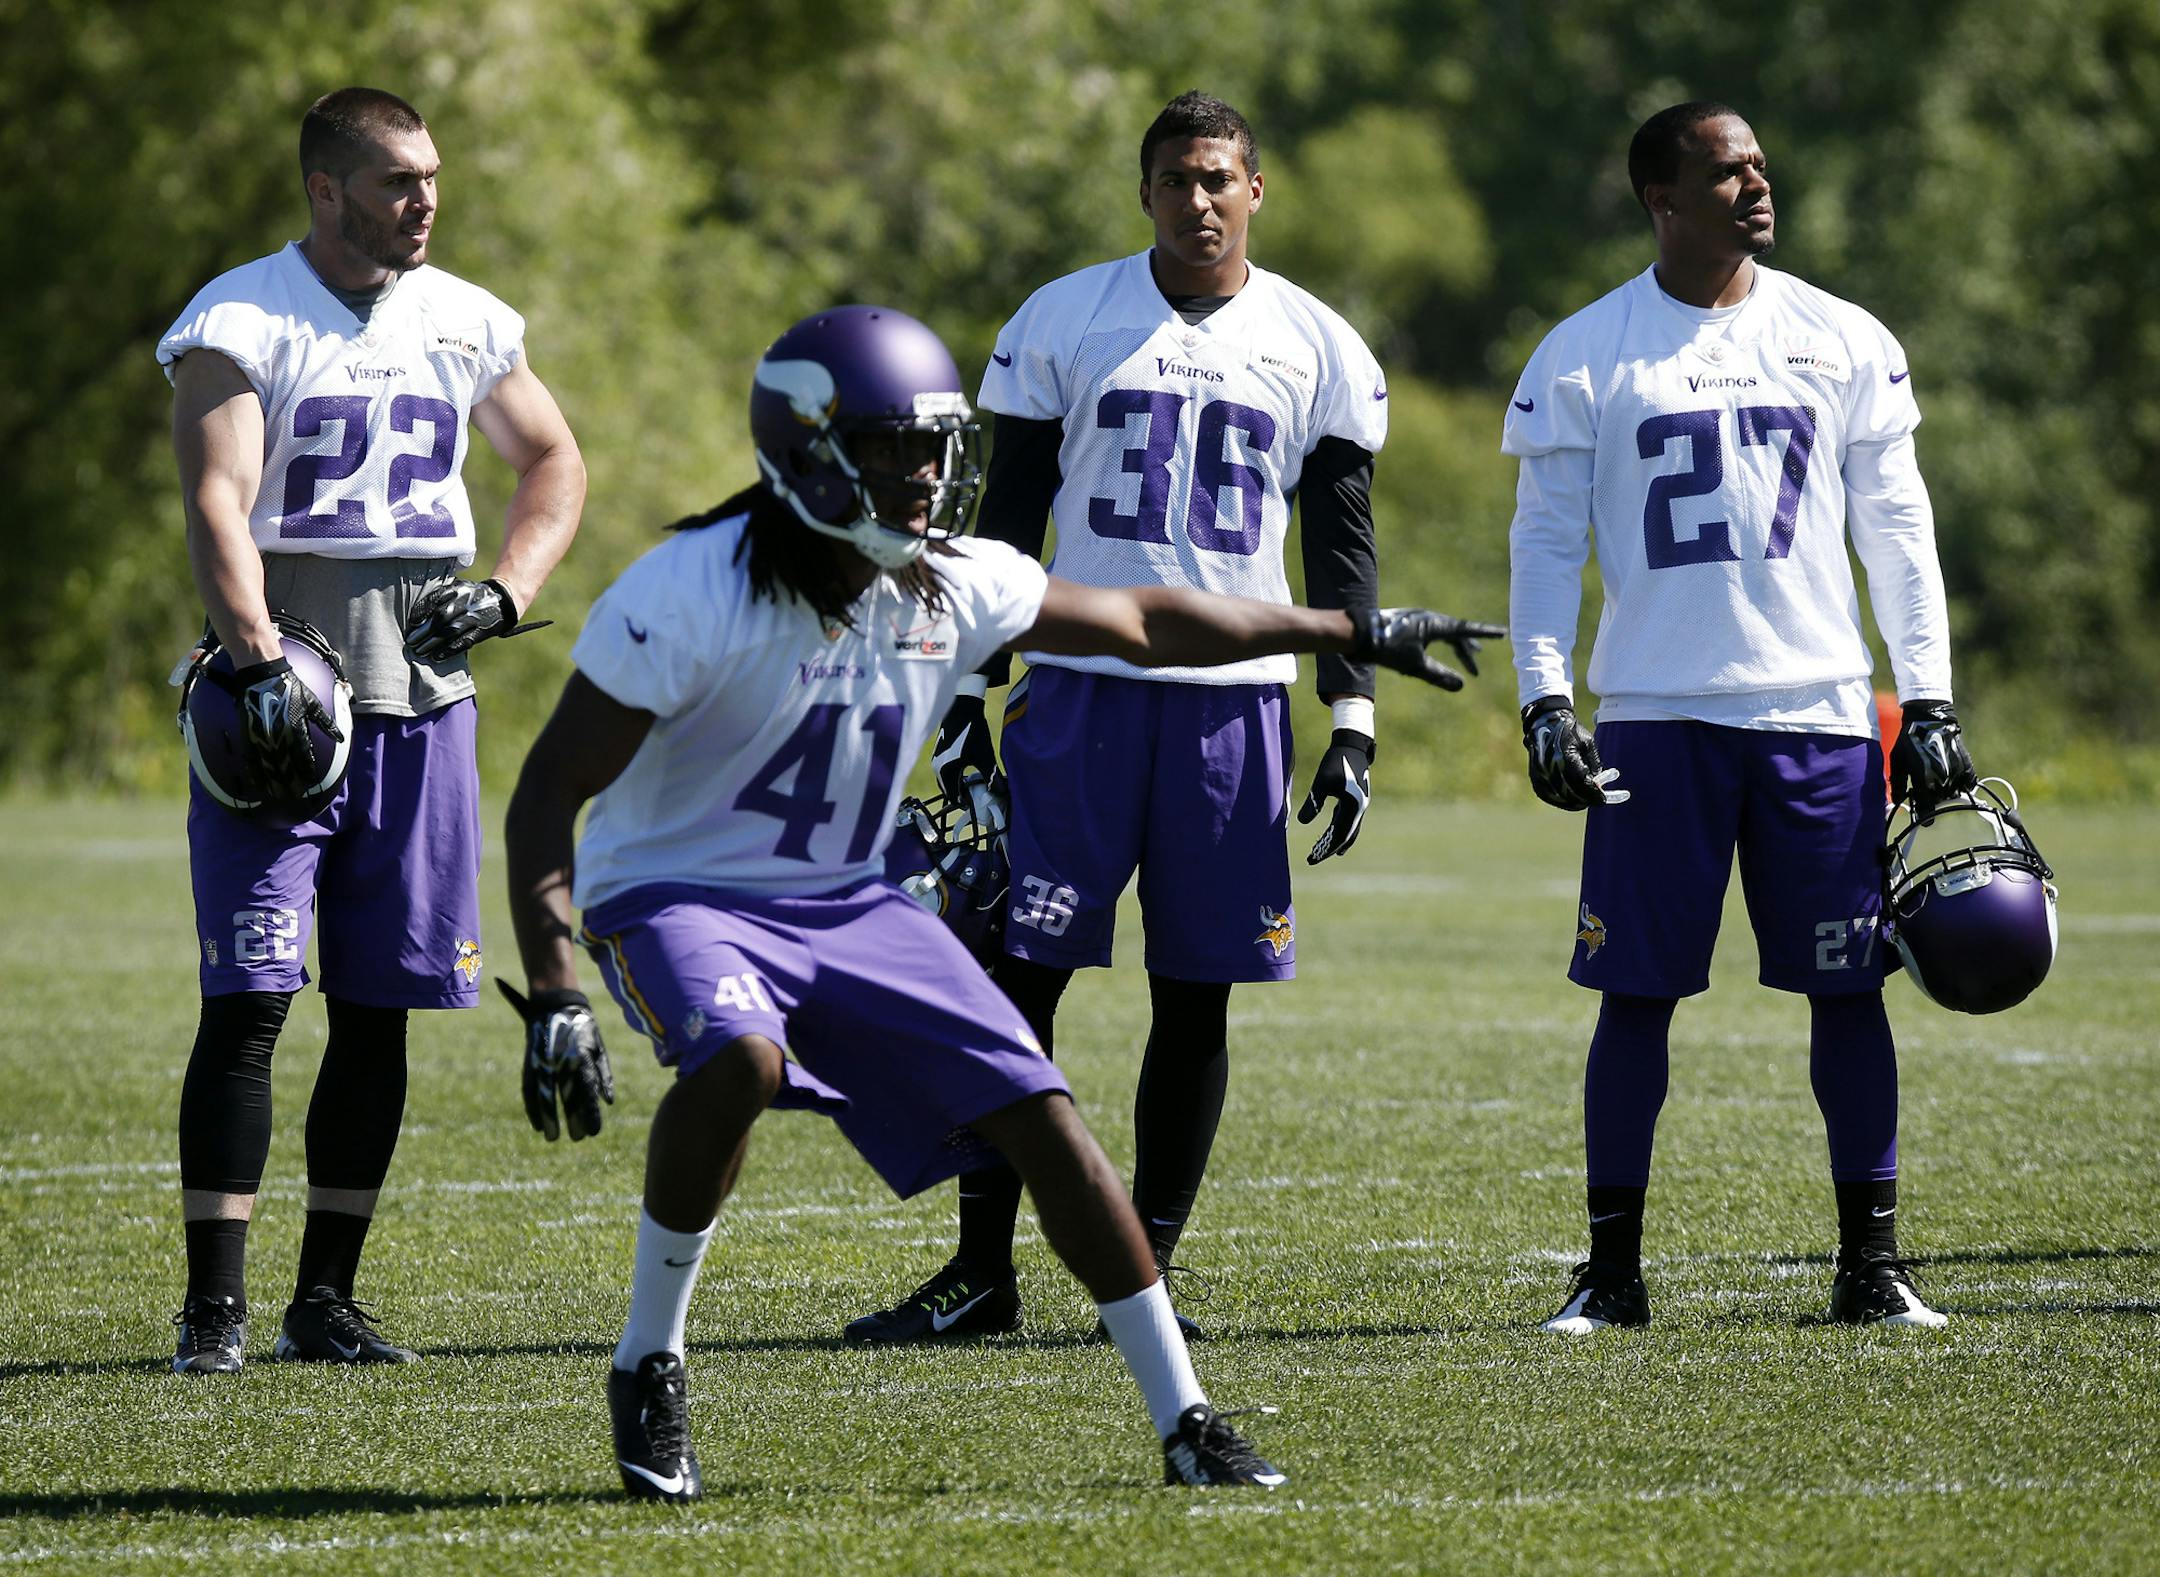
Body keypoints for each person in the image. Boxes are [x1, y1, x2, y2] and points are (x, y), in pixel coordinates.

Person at [500, 304, 1496, 1498]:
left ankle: (1185, 1417)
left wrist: (1350, 628)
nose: (923, 477)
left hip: (847, 898)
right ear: (810, 445)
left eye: (935, 448)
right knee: (740, 1060)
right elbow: (547, 788)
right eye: (892, 449)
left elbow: (1145, 619)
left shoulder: (951, 583)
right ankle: (649, 1359)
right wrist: (555, 987)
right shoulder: (689, 587)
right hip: (677, 889)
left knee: (1039, 1105)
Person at [847, 89, 1400, 1346]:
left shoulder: (1321, 344)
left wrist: (1353, 714)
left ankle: (1141, 1279)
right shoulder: (1065, 319)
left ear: (1256, 189)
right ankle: (982, 1265)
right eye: (1175, 178)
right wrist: (963, 692)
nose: (1198, 200)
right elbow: (1001, 530)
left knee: (1195, 993)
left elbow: (1342, 550)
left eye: (1219, 177)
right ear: (1142, 190)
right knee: (1017, 977)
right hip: (1081, 692)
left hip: (1234, 712)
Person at [1503, 102, 1978, 1334]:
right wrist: (1544, 697)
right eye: (1727, 170)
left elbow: (1900, 532)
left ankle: (1870, 1265)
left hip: (1817, 710)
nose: (1757, 183)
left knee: (1851, 989)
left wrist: (1925, 693)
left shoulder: (1841, 335)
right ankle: (1612, 1271)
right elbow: (1547, 546)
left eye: (1761, 163)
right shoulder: (1587, 351)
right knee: (1635, 995)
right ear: (1664, 197)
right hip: (1657, 715)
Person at [160, 87, 587, 1373]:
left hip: (429, 692)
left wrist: (512, 584)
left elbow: (554, 460)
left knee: (381, 1005)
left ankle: (323, 1298)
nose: (425, 199)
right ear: (326, 189)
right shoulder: (243, 316)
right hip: (285, 690)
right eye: (398, 179)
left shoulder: (465, 318)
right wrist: (254, 661)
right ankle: (214, 1308)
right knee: (250, 995)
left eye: (433, 176)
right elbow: (216, 499)